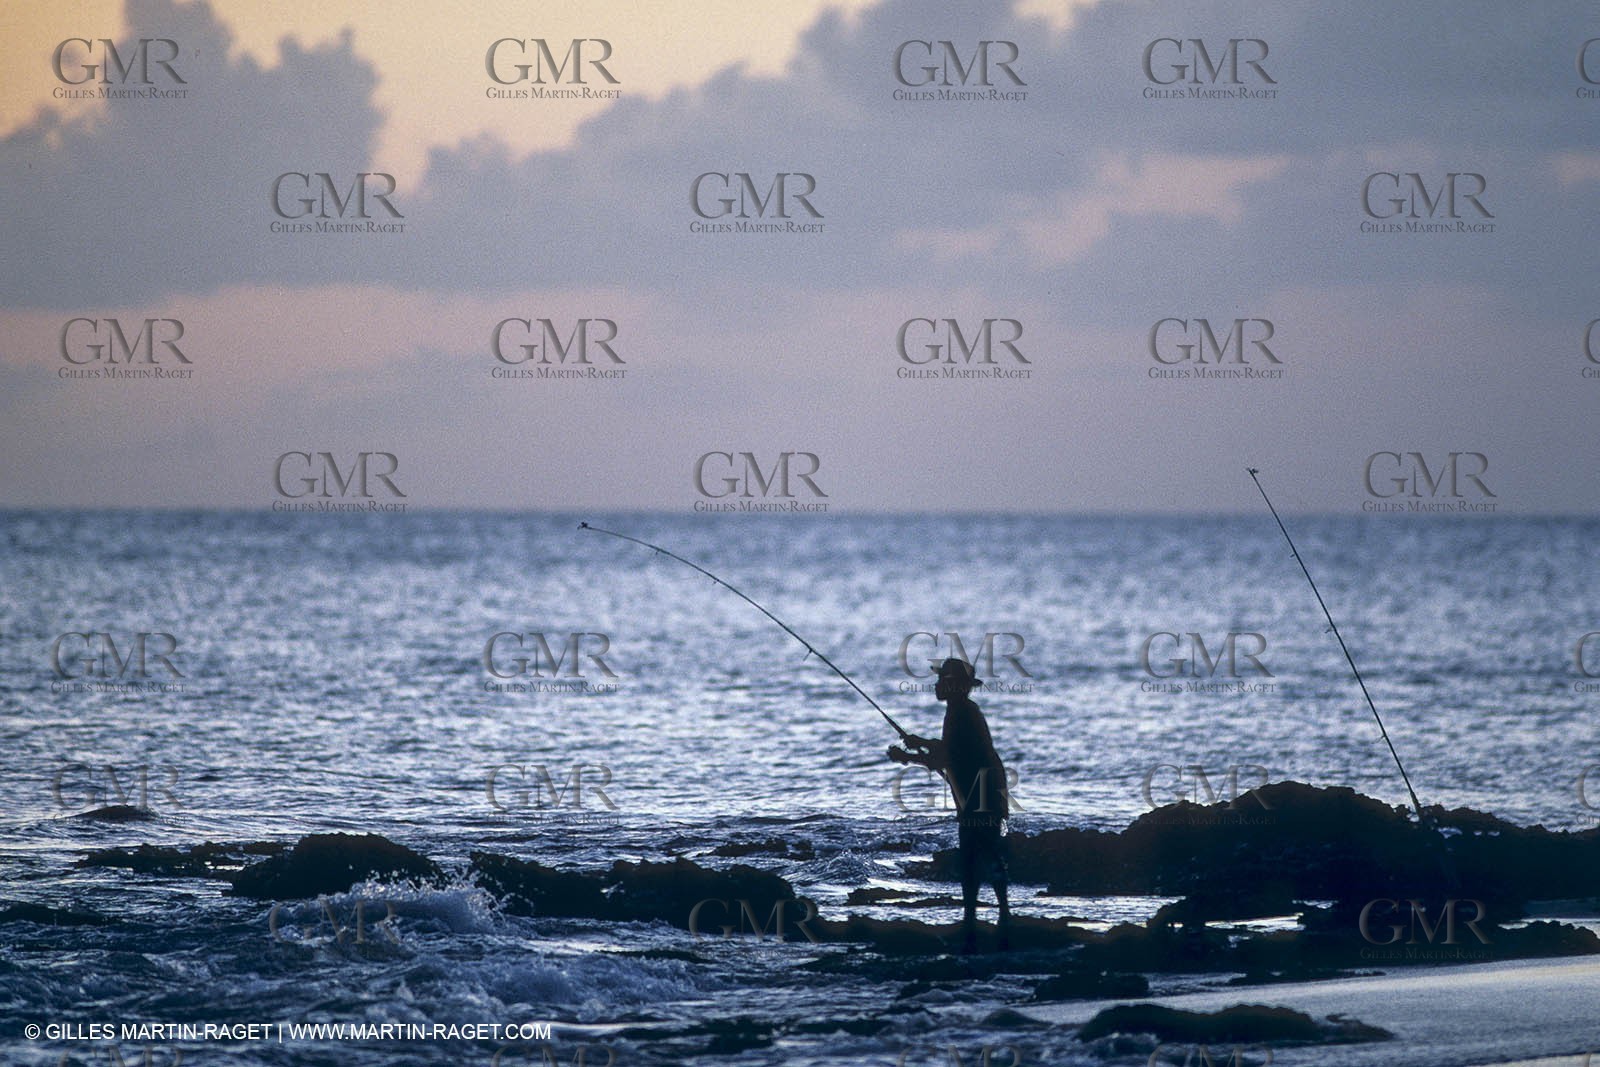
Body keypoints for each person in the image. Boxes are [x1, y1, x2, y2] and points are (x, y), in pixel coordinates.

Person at [888, 657, 1011, 953]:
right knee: (977, 855)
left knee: (978, 855)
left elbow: (950, 756)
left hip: (981, 795)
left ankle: (996, 921)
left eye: (943, 680)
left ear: (954, 686)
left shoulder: (963, 714)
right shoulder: (960, 712)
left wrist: (912, 754)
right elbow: (949, 753)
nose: (937, 685)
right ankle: (989, 920)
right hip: (978, 793)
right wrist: (918, 748)